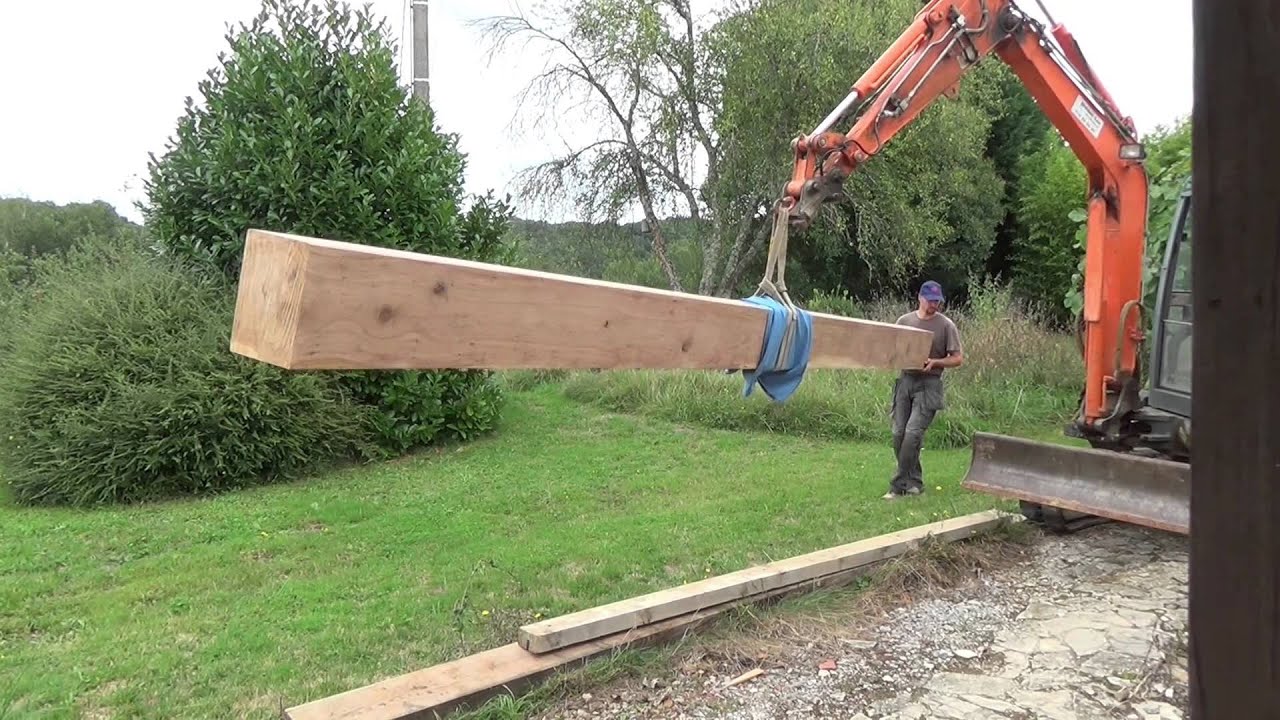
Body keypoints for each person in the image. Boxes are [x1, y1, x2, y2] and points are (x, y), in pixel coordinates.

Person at [883, 280, 963, 499]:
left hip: (929, 384)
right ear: (920, 297)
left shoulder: (946, 325)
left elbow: (957, 359)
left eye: (938, 301)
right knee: (898, 433)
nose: (934, 305)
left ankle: (898, 485)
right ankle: (914, 481)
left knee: (913, 433)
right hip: (906, 380)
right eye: (930, 301)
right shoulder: (904, 320)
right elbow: (892, 347)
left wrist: (935, 362)